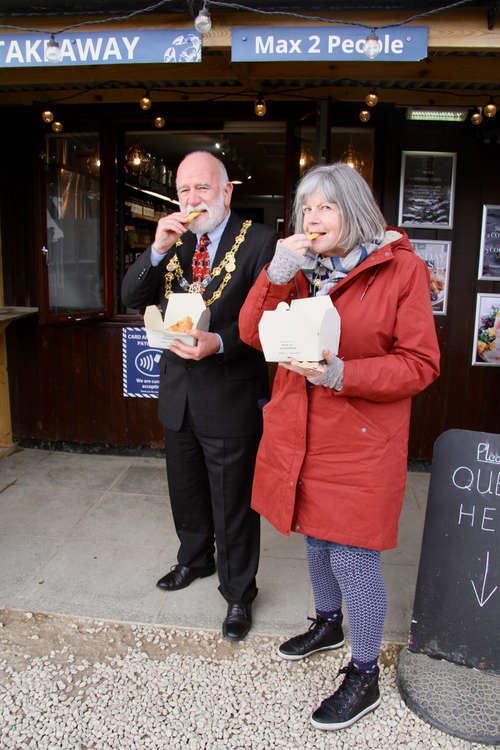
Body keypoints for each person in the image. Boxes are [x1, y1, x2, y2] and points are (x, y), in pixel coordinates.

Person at [238, 162, 440, 729]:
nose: (313, 218)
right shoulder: (301, 269)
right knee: (316, 542)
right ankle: (329, 624)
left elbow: (420, 365)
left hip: (359, 439)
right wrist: (276, 274)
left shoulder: (402, 271)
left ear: (354, 211)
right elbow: (254, 335)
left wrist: (340, 373)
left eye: (325, 206)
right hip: (301, 432)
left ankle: (365, 673)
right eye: (307, 208)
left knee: (353, 556)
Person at [122, 151, 277, 641]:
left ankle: (237, 593)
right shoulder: (175, 241)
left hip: (230, 394)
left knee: (232, 503)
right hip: (179, 394)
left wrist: (222, 342)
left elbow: (271, 319)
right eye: (184, 190)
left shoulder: (260, 241)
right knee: (185, 491)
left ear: (226, 191)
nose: (192, 199)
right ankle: (193, 560)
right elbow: (132, 297)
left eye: (202, 189)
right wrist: (155, 248)